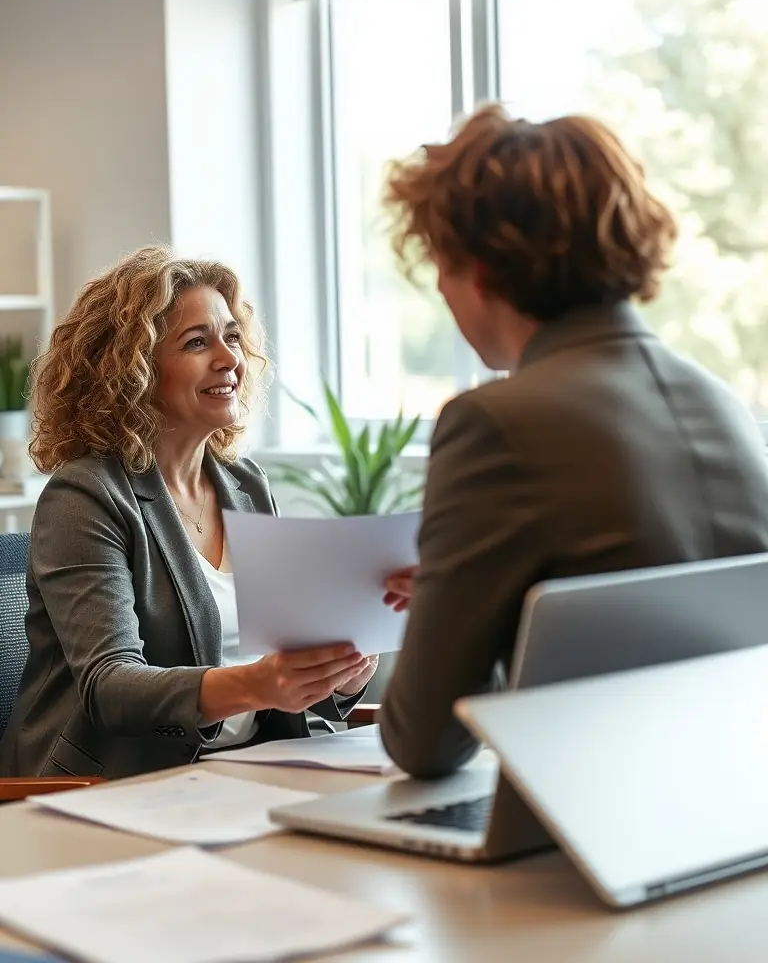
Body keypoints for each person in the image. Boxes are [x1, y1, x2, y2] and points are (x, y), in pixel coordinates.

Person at [379, 105, 768, 778]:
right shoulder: (722, 401)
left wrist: (469, 622)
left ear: (480, 269)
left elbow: (426, 742)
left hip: (597, 812)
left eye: (440, 265)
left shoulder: (493, 422)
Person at [0, 247, 380, 780]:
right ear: (130, 370)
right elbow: (110, 687)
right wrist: (256, 684)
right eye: (197, 342)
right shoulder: (84, 497)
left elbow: (282, 669)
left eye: (231, 336)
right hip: (109, 787)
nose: (230, 359)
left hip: (244, 773)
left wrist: (339, 678)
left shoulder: (245, 485)